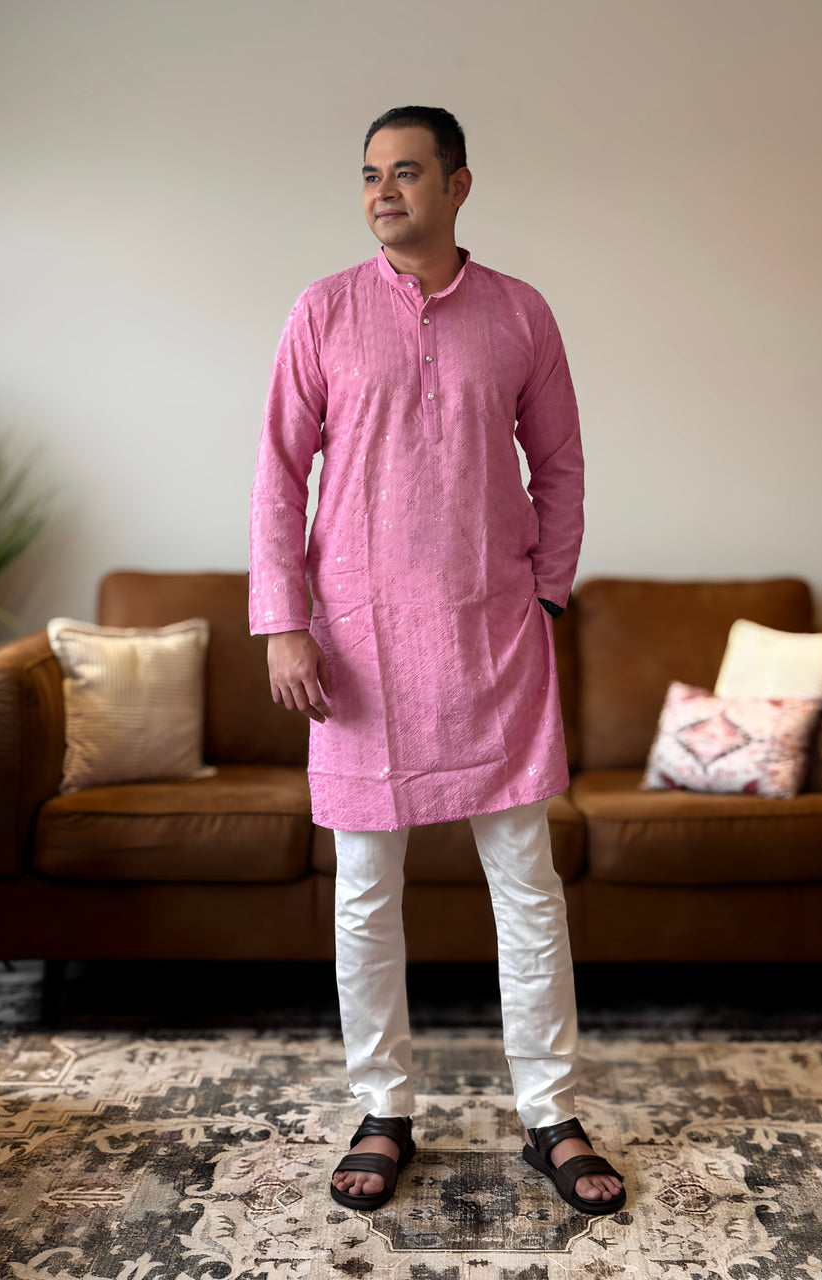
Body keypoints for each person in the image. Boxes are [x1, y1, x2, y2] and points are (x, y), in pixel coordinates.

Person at [249, 106, 624, 1217]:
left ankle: (549, 1112)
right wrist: (284, 621)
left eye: (406, 172)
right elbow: (278, 474)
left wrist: (544, 591)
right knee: (367, 890)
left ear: (458, 185)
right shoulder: (323, 310)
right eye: (370, 174)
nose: (383, 192)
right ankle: (383, 1108)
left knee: (527, 885)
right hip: (357, 648)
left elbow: (560, 463)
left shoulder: (518, 312)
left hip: (491, 639)